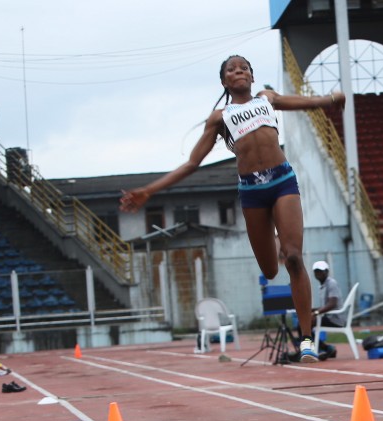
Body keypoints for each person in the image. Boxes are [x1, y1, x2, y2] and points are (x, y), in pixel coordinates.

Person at [120, 55, 346, 363]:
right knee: (270, 269)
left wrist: (330, 99)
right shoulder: (220, 116)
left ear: (252, 76)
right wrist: (149, 190)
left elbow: (300, 102)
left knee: (294, 257)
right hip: (252, 191)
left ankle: (307, 340)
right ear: (225, 81)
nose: (238, 71)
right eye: (231, 70)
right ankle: (279, 250)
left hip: (282, 182)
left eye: (244, 68)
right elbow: (192, 163)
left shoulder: (267, 99)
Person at [310, 260, 344, 359]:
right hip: (329, 316)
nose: (318, 273)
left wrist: (316, 312)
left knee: (305, 324)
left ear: (327, 272)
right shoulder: (323, 285)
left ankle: (319, 349)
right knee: (303, 324)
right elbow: (326, 306)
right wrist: (310, 310)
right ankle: (326, 348)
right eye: (316, 271)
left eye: (321, 271)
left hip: (336, 318)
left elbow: (332, 304)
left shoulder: (331, 283)